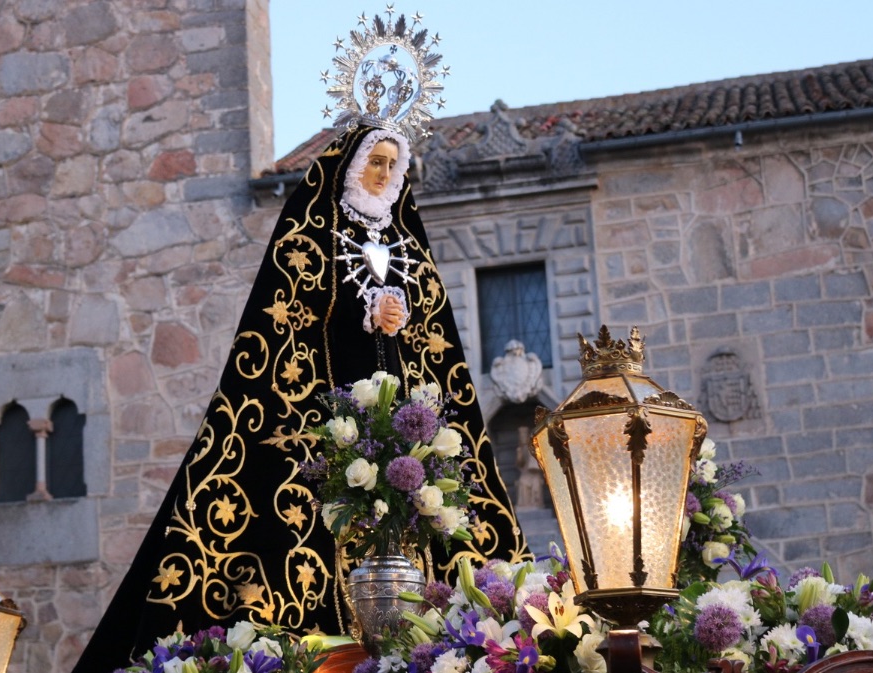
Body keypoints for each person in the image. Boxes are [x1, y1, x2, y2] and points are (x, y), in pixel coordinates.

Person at [69, 123, 530, 671]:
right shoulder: (311, 232)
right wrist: (359, 315)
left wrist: (401, 322)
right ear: (348, 167)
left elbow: (436, 338)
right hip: (322, 413)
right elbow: (286, 315)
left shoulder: (409, 242)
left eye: (391, 164)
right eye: (373, 162)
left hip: (403, 426)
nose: (382, 174)